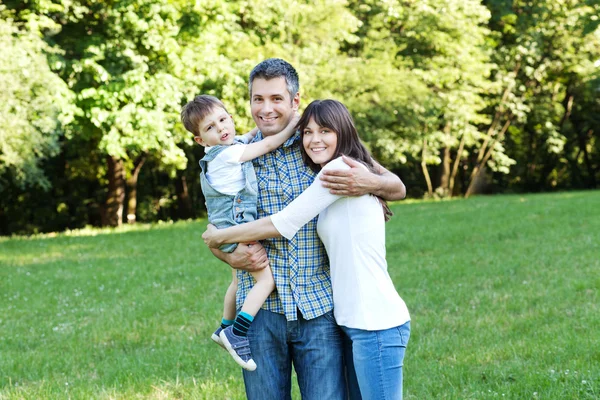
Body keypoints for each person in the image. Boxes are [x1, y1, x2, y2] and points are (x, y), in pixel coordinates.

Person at [206, 59, 406, 400]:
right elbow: (217, 216)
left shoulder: (318, 143)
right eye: (258, 99)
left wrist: (366, 181)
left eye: (276, 99)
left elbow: (397, 186)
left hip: (319, 309)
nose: (265, 109)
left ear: (295, 101)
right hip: (261, 312)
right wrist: (219, 250)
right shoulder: (233, 152)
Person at [180, 94, 299, 371]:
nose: (221, 129)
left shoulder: (221, 150)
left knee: (237, 280)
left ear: (230, 118)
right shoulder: (229, 155)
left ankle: (223, 325)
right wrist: (292, 124)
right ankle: (238, 331)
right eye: (210, 128)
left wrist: (257, 127)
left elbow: (247, 136)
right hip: (237, 227)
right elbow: (268, 144)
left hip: (225, 226)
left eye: (223, 120)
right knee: (266, 279)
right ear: (200, 140)